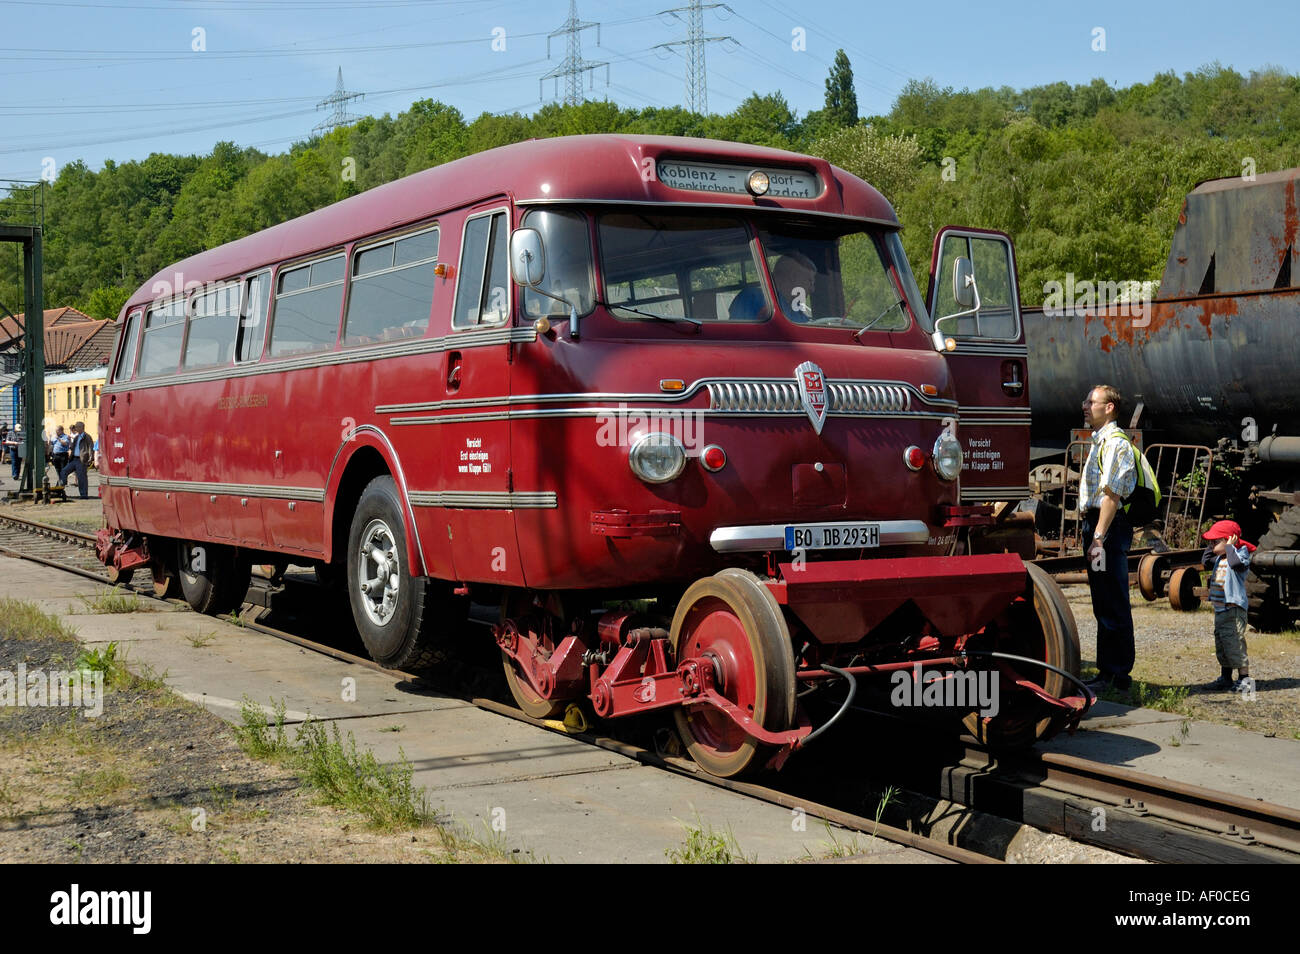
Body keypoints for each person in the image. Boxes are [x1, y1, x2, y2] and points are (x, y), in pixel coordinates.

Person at [1079, 384, 1138, 691]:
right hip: (1099, 526)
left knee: (1113, 599)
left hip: (1108, 528)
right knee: (1103, 599)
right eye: (1087, 401)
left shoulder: (1115, 444)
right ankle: (1107, 671)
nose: (1086, 406)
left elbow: (1112, 496)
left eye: (1092, 401)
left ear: (1110, 407)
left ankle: (1117, 674)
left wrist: (1098, 537)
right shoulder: (1100, 441)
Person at [1199, 520, 1255, 692]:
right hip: (1221, 610)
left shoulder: (1239, 554)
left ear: (1230, 539)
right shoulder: (1220, 557)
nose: (1212, 544)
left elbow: (1236, 564)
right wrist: (1213, 545)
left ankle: (1245, 680)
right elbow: (1206, 560)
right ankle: (1226, 678)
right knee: (1223, 644)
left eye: (1215, 541)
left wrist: (1230, 546)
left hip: (1233, 609)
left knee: (1235, 645)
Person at [729, 253, 818, 320]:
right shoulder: (753, 298)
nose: (812, 289)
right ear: (793, 276)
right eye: (809, 281)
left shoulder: (797, 311)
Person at [60, 421, 92, 499]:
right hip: (74, 459)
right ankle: (61, 488)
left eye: (77, 427)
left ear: (81, 427)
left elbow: (91, 448)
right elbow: (73, 447)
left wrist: (90, 458)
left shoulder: (87, 437)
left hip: (81, 459)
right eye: (76, 427)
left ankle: (83, 494)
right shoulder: (77, 437)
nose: (76, 428)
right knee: (64, 471)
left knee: (81, 477)